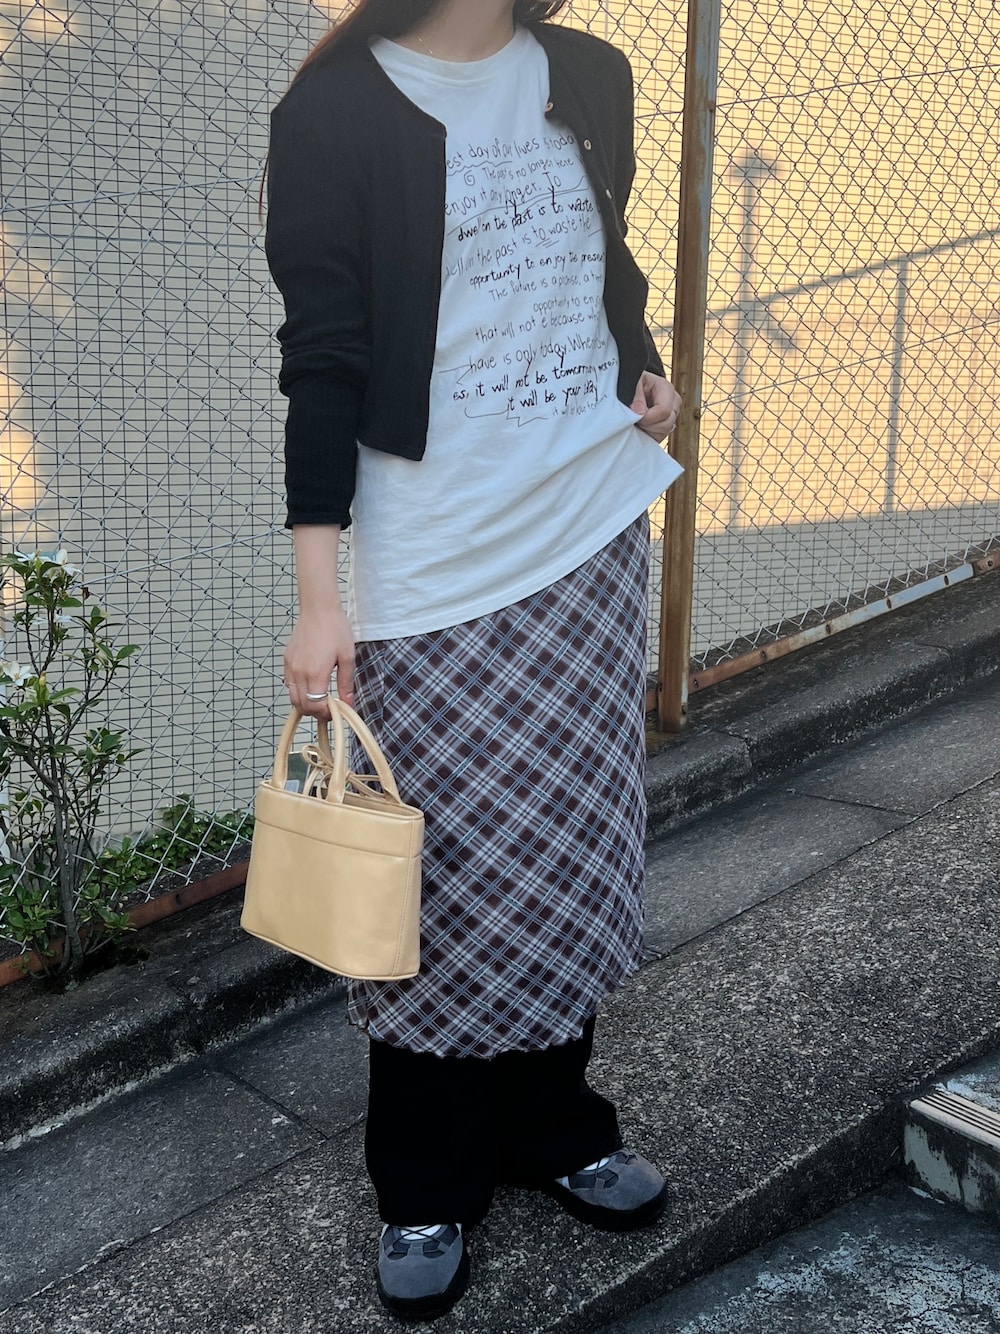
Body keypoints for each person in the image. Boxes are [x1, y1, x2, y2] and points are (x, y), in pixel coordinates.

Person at [261, 0, 684, 1320]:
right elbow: (322, 358)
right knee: (438, 883)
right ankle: (426, 1177)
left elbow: (604, 253)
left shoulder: (589, 72)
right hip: (434, 557)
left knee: (566, 843)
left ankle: (554, 1126)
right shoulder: (333, 110)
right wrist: (318, 598)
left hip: (588, 523)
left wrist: (644, 365)